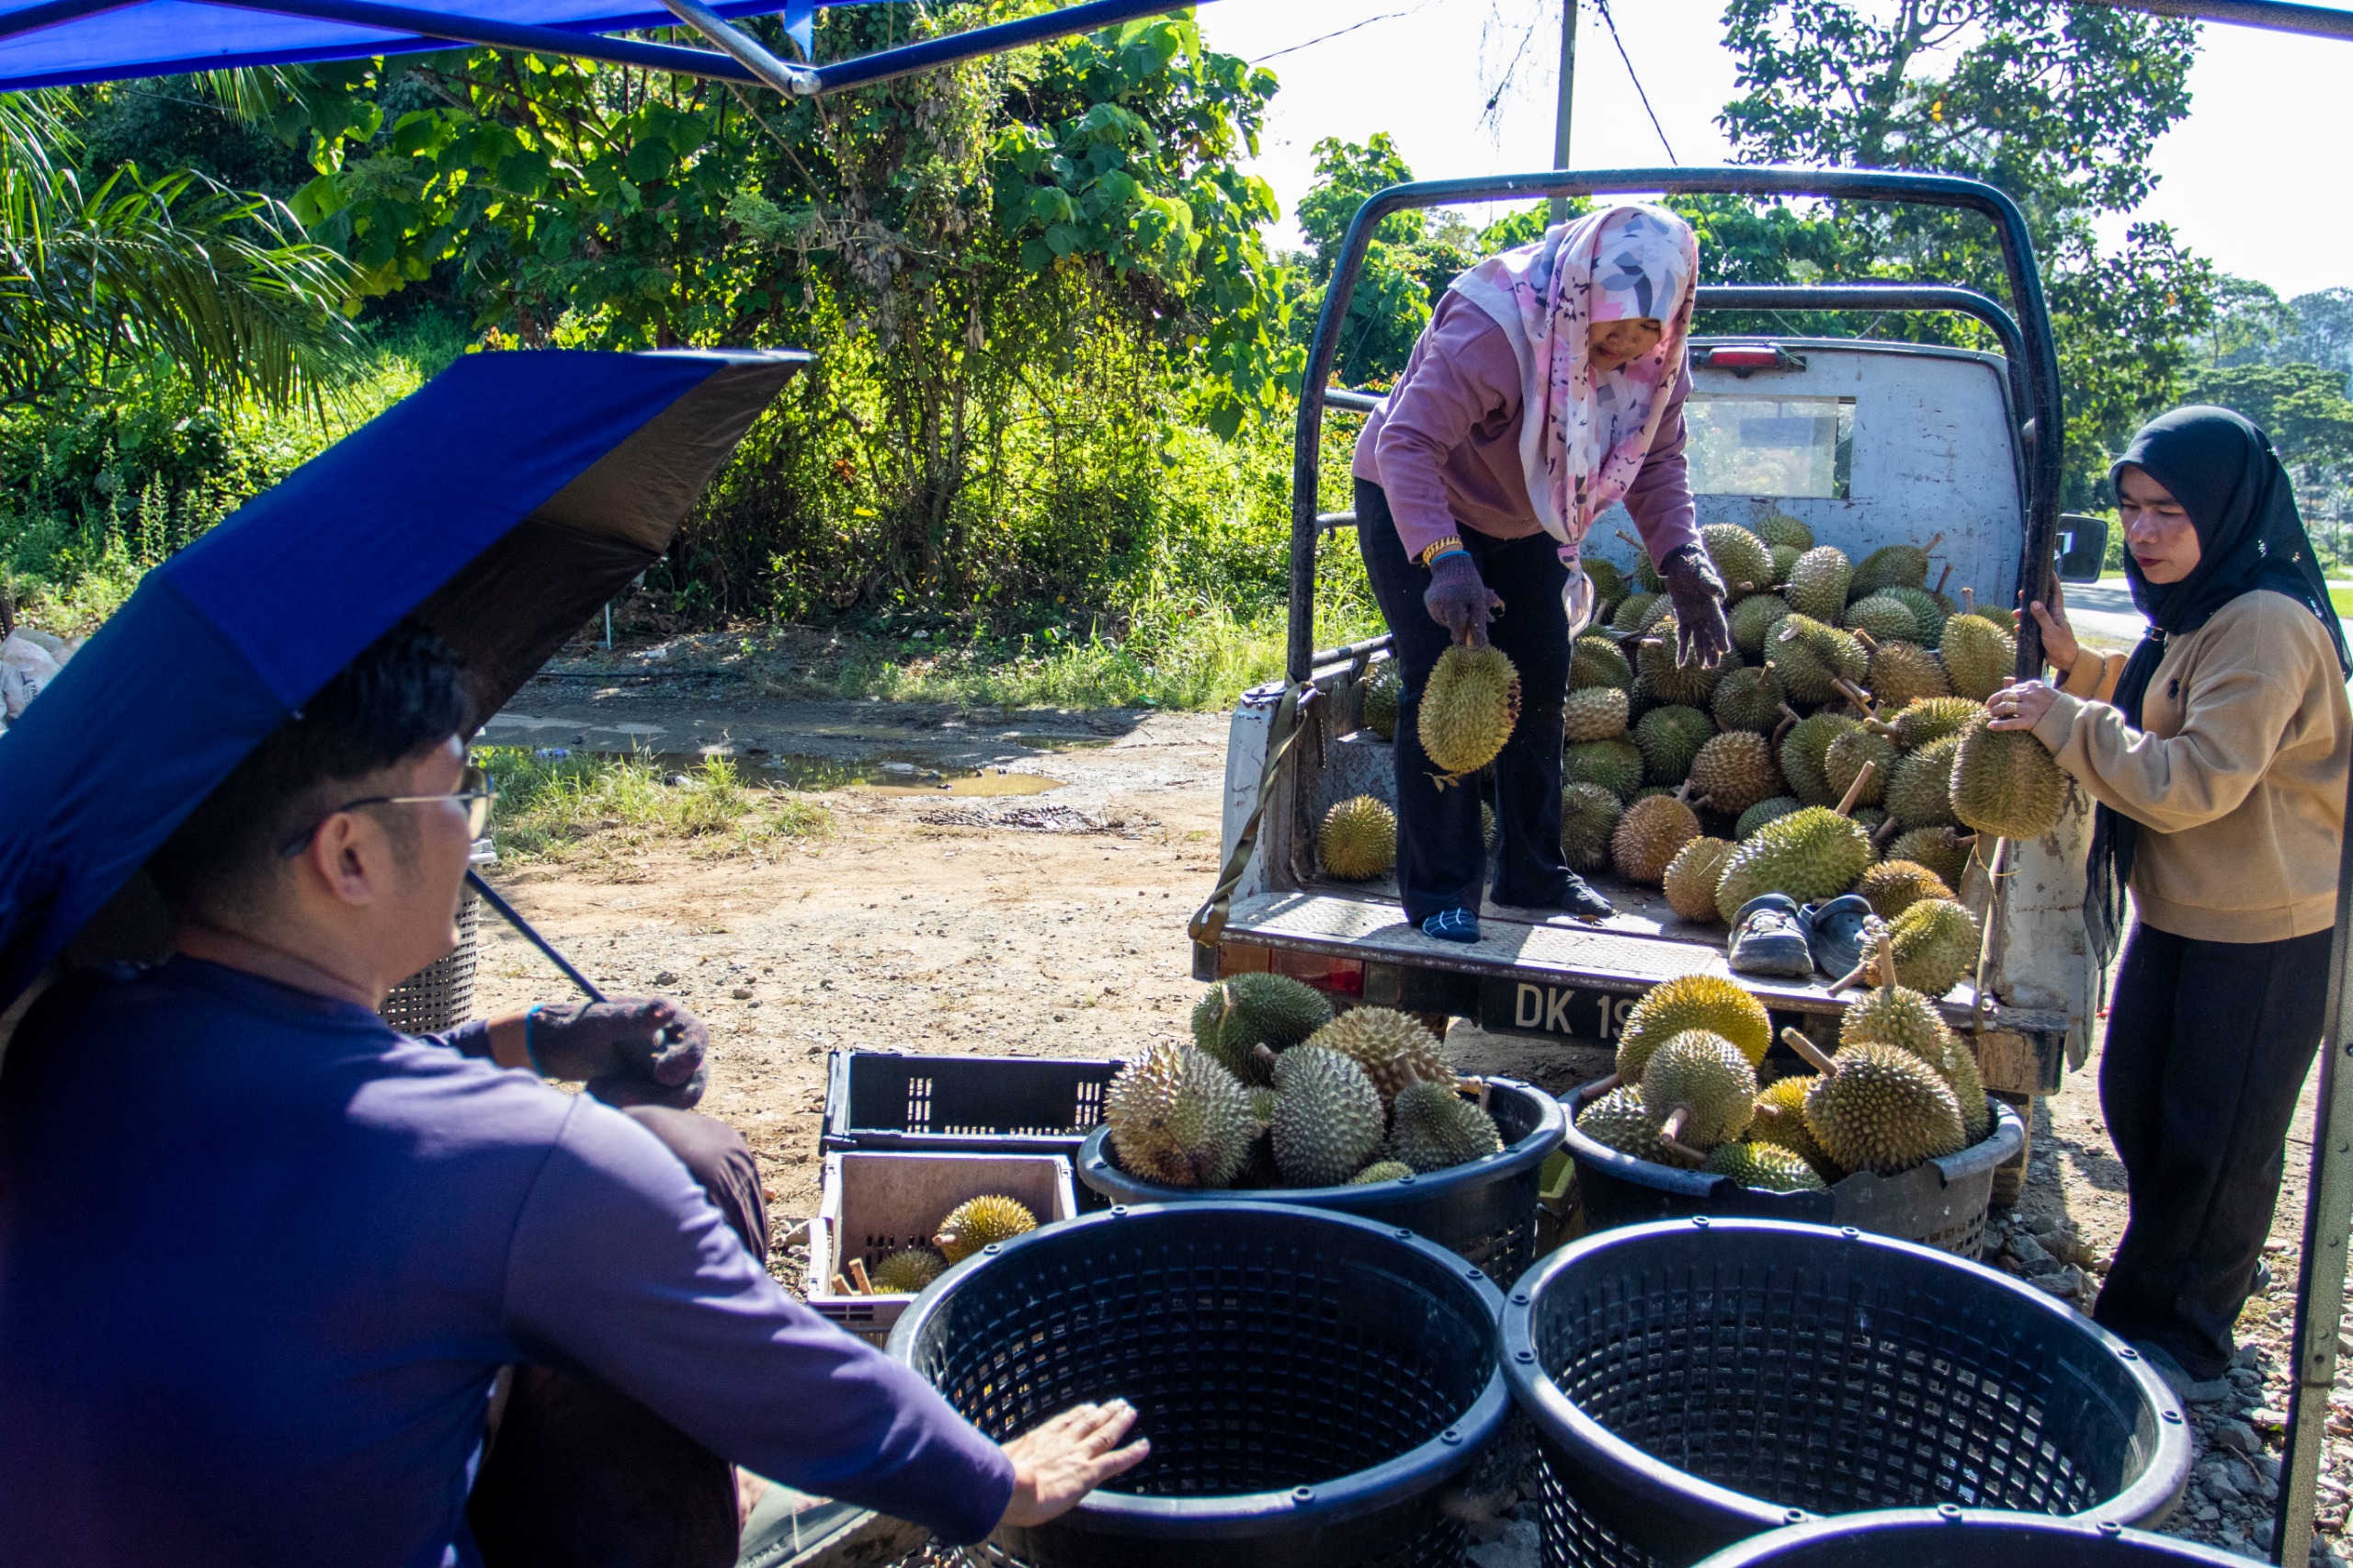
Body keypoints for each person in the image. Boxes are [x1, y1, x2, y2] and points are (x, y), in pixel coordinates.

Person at [0, 620, 1147, 1568]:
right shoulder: (531, 1170)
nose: (472, 834)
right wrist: (1000, 1479)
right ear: (347, 855)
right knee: (686, 1172)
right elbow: (786, 1380)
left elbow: (310, 1106)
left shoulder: (69, 1033)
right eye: (459, 795)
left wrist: (541, 1037)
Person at [1989, 405, 2352, 1398]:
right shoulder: (2205, 613)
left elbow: (2190, 778)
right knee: (2140, 1107)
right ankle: (2182, 1283)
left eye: (2170, 512)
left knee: (2215, 1135)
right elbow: (2165, 698)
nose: (2144, 532)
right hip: (2190, 910)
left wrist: (2065, 718)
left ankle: (2180, 1341)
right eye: (2131, 509)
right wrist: (2081, 668)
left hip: (2267, 927)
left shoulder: (2267, 626)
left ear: (2227, 512)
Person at [1353, 203, 1730, 943]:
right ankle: (1440, 892)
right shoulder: (1494, 327)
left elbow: (1657, 461)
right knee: (1444, 684)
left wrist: (1684, 560)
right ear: (1580, 294)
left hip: (1527, 516)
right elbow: (1407, 444)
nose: (1620, 353)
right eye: (1609, 329)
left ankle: (1531, 870)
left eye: (1642, 334)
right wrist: (1446, 559)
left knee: (1539, 682)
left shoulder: (1658, 366)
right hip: (1416, 500)